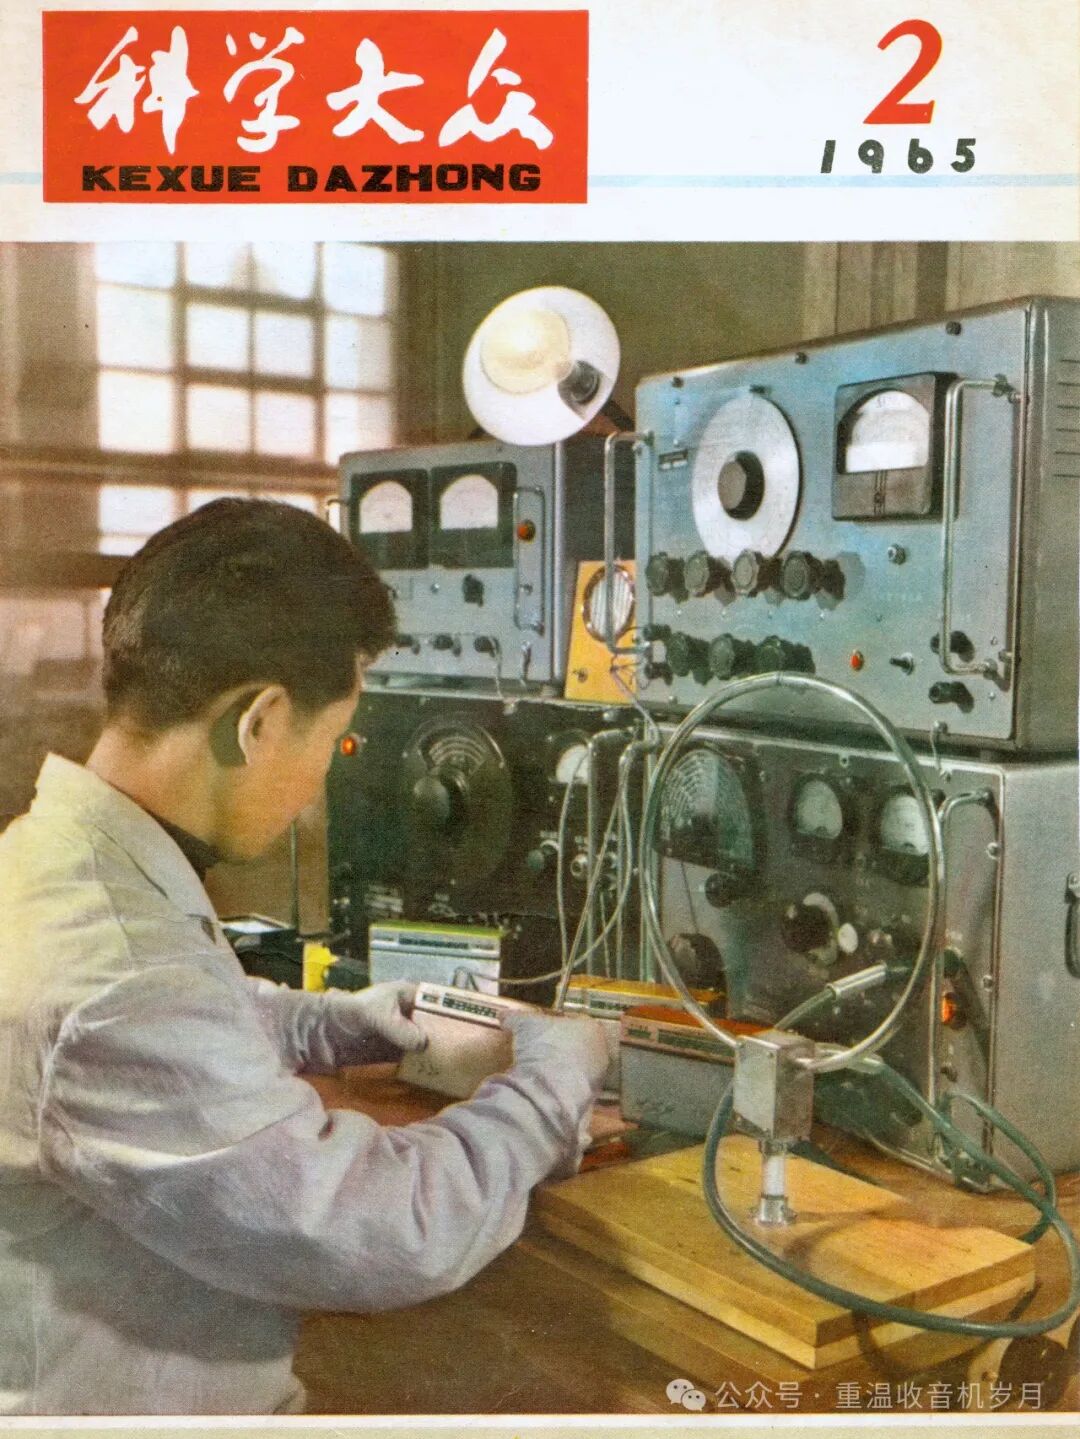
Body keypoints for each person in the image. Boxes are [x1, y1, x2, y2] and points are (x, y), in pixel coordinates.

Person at [0, 498, 608, 1416]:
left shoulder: (56, 862)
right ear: (260, 722)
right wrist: (548, 1089)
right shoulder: (120, 968)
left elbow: (161, 1021)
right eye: (329, 742)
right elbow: (381, 1226)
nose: (321, 776)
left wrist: (326, 1023)